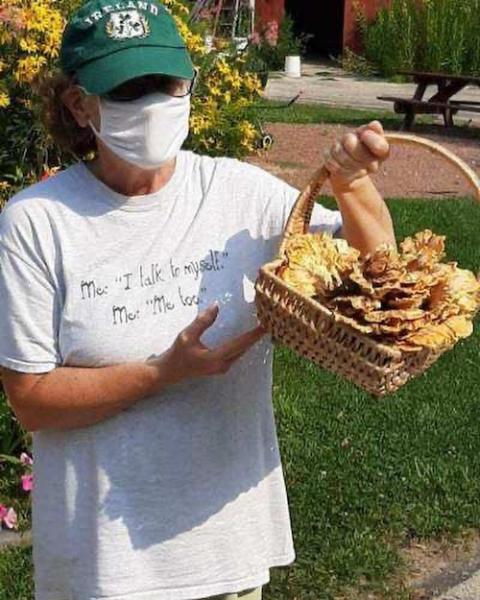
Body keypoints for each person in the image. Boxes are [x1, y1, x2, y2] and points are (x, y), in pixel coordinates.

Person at [0, 1, 395, 599]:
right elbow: (32, 401)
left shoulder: (237, 194)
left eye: (169, 81)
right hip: (102, 572)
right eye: (131, 87)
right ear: (80, 104)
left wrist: (354, 182)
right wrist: (163, 373)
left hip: (224, 557)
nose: (156, 101)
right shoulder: (38, 224)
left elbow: (378, 275)